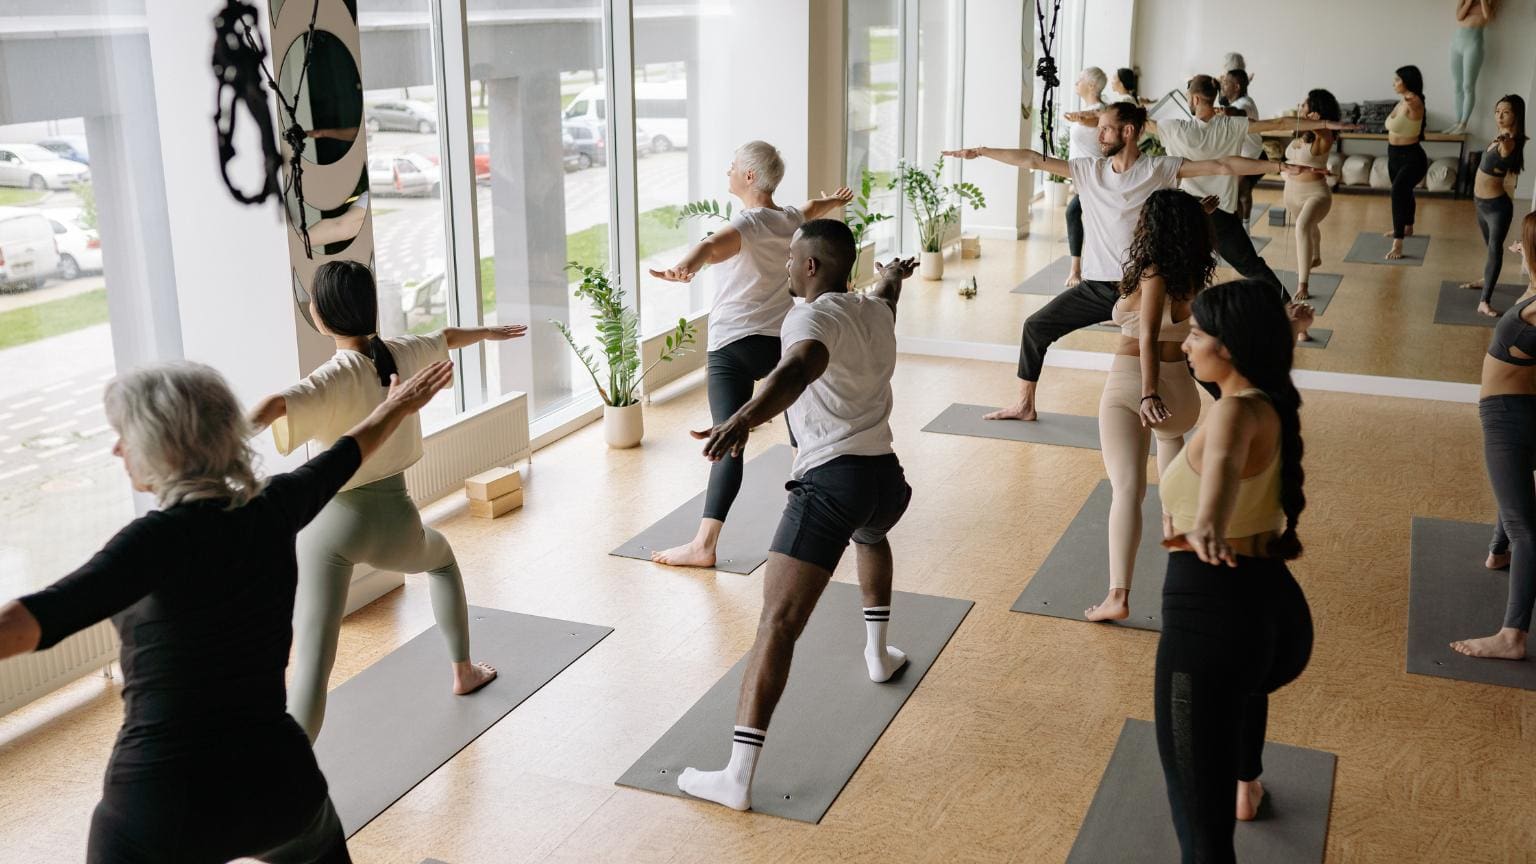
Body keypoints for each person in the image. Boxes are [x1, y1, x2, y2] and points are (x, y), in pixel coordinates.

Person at [0, 358, 454, 863]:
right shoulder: (273, 507)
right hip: (279, 788)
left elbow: (21, 624)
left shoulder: (148, 544)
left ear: (161, 446)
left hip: (162, 807)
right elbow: (348, 452)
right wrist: (397, 405)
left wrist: (396, 407)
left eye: (124, 436)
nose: (117, 449)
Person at [675, 220, 914, 811]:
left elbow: (798, 367)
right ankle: (878, 654)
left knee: (777, 624)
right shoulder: (876, 311)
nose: (784, 265)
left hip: (832, 482)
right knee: (871, 536)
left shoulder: (809, 319)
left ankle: (736, 777)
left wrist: (742, 418)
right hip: (885, 481)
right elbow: (885, 292)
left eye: (791, 258)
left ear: (811, 267)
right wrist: (892, 275)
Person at [249, 260, 522, 740]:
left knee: (313, 658)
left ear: (322, 316)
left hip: (328, 528)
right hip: (395, 519)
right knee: (442, 561)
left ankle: (288, 769)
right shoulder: (400, 353)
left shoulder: (333, 374)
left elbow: (274, 406)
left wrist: (219, 441)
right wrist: (489, 332)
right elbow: (447, 337)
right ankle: (463, 672)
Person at [943, 102, 1326, 421]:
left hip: (1148, 287)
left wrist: (1279, 168)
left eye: (1105, 129)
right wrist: (982, 151)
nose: (1099, 135)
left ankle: (1248, 408)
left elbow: (1222, 166)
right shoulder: (1088, 171)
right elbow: (1033, 160)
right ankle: (1024, 404)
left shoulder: (1158, 169)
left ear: (1128, 132)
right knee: (1036, 327)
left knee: (1188, 354)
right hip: (1099, 286)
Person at [1157, 281, 1314, 863]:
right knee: (1238, 695)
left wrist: (1208, 524)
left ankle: (1238, 791)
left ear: (1230, 347)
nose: (1186, 344)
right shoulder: (1267, 396)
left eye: (1197, 334)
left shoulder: (1231, 413)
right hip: (1271, 614)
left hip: (1209, 620)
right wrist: (1288, 329)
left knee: (1202, 836)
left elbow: (1222, 463)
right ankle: (1247, 783)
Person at [645, 141, 854, 568]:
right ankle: (816, 521)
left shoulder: (748, 222)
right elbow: (811, 207)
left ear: (750, 176)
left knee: (729, 441)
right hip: (778, 342)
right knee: (801, 436)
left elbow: (710, 246)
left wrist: (684, 266)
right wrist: (834, 201)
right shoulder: (790, 219)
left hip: (733, 346)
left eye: (733, 166)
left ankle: (704, 546)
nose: (728, 171)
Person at [1100, 74, 1356, 300]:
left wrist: (1116, 112)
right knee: (1250, 266)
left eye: (1189, 97)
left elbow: (1135, 126)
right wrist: (1325, 124)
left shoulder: (1175, 129)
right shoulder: (1232, 125)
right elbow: (1279, 124)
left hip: (1187, 212)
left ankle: (1140, 306)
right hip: (1220, 212)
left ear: (1195, 99)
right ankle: (1289, 310)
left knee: (1168, 265)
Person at [1086, 189, 1210, 623]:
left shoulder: (1153, 273)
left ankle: (1117, 596)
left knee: (1127, 490)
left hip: (1135, 387)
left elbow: (1148, 336)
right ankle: (1187, 589)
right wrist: (1197, 215)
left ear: (1151, 226)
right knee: (1172, 500)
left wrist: (1147, 392)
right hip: (1183, 396)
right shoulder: (1192, 273)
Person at [1450, 212, 1536, 661]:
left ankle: (1512, 636)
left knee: (1526, 527)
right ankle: (1498, 552)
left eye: (1524, 244)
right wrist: (1528, 255)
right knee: (1515, 486)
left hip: (1508, 415)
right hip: (1522, 408)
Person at [1460, 95, 1526, 317]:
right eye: (1497, 111)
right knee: (1490, 249)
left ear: (1516, 115)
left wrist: (1504, 140)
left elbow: (1506, 147)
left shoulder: (1509, 141)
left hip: (1497, 208)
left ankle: (1484, 301)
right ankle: (1486, 280)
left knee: (1494, 250)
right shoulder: (1499, 137)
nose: (1499, 116)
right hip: (1480, 204)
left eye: (1505, 112)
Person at [1284, 89, 1344, 325]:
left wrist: (1317, 123)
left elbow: (1324, 132)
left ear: (1315, 112)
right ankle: (1316, 255)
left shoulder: (1324, 136)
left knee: (1302, 227)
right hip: (1291, 194)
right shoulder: (1303, 132)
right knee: (1309, 227)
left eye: (1304, 105)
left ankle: (1303, 283)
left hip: (1316, 194)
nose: (1300, 107)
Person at [1064, 67, 1110, 288]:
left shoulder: (1100, 111)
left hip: (1096, 178)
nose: (1076, 82)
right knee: (1080, 216)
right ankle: (1081, 269)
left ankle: (1078, 270)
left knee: (1074, 213)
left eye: (1080, 79)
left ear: (1091, 85)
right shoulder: (1091, 110)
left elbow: (1093, 120)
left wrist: (1080, 118)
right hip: (1083, 178)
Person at [1383, 66, 1429, 260]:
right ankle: (1408, 227)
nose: (1394, 83)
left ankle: (1398, 242)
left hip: (1412, 158)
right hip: (1394, 155)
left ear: (1407, 81)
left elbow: (1417, 105)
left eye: (1397, 80)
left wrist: (1413, 99)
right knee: (1404, 191)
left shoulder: (1415, 102)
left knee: (1397, 193)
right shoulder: (1402, 101)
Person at [1218, 69, 1264, 226]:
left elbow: (1240, 112)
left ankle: (1241, 229)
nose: (1223, 86)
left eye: (1226, 83)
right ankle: (1245, 227)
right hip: (1245, 155)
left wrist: (1226, 112)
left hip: (1252, 156)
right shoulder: (1235, 102)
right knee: (1242, 193)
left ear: (1237, 87)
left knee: (1236, 194)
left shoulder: (1246, 103)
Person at [1445, 0, 1496, 134]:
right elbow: (1459, 17)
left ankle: (1463, 123)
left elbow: (1488, 17)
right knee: (1457, 85)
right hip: (1456, 43)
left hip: (1473, 44)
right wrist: (1469, 2)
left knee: (1468, 86)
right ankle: (1457, 122)